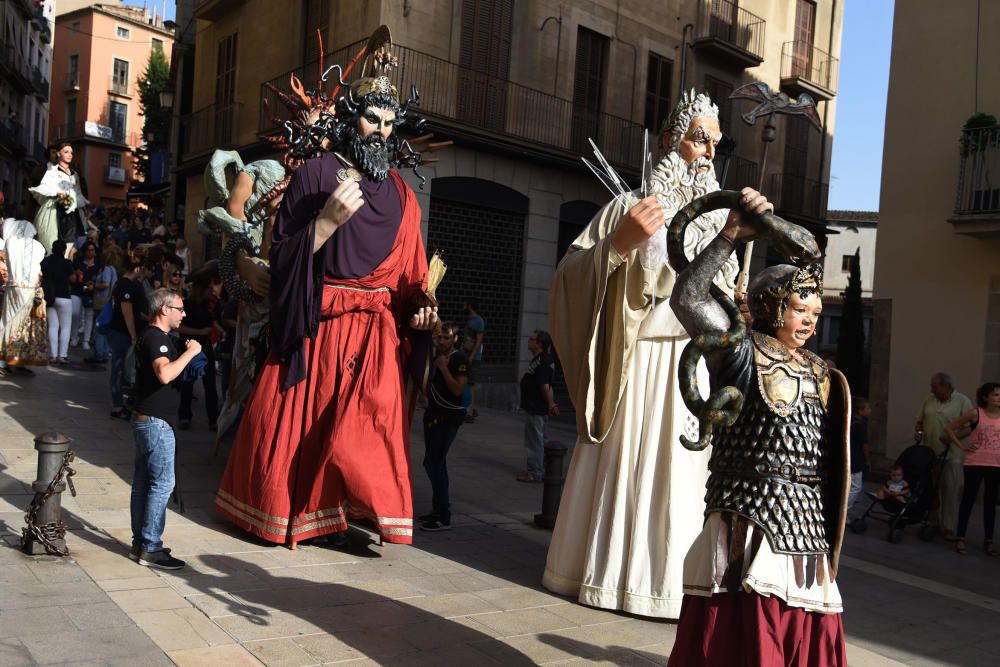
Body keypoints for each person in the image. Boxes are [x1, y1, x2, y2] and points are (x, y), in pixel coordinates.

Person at [215, 33, 439, 547]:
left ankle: (349, 512)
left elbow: (412, 277)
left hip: (376, 337)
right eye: (371, 119)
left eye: (388, 122)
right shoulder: (316, 173)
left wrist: (424, 308)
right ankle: (307, 515)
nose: (381, 131)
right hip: (319, 327)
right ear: (351, 118)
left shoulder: (405, 198)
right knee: (308, 429)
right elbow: (283, 251)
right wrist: (324, 225)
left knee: (367, 431)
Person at [543, 90, 738, 617]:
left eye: (716, 144)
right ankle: (607, 576)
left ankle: (672, 584)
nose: (708, 153)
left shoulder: (717, 225)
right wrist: (621, 244)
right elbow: (568, 277)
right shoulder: (628, 206)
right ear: (673, 140)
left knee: (679, 481)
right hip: (638, 360)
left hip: (690, 370)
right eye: (700, 139)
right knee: (626, 471)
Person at [667, 188, 848, 665]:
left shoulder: (823, 373)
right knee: (743, 631)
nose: (809, 322)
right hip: (746, 513)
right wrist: (730, 233)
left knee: (802, 632)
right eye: (799, 311)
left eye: (814, 313)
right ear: (772, 306)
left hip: (806, 522)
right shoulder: (740, 352)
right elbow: (687, 297)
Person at [128, 287, 202, 570]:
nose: (184, 314)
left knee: (144, 483)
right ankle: (150, 546)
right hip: (156, 423)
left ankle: (142, 543)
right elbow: (165, 373)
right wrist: (191, 353)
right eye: (180, 309)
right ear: (164, 310)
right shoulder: (155, 337)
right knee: (162, 484)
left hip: (149, 420)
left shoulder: (154, 336)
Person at [419, 321, 469, 532]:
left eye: (446, 337)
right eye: (439, 337)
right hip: (432, 416)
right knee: (432, 463)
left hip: (447, 419)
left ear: (455, 339)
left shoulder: (459, 359)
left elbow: (458, 389)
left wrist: (443, 369)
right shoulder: (436, 356)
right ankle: (437, 509)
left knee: (435, 464)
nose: (442, 341)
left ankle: (443, 516)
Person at [945, 382, 1000, 556]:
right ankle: (961, 537)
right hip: (975, 462)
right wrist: (961, 446)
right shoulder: (976, 414)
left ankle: (989, 540)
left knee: (990, 502)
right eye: (996, 395)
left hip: (995, 464)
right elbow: (949, 428)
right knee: (968, 499)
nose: (999, 398)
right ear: (985, 397)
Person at [915, 372, 972, 540]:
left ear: (946, 387)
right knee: (932, 489)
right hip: (930, 452)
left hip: (952, 453)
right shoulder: (929, 400)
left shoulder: (962, 401)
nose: (931, 390)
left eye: (935, 386)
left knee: (950, 489)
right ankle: (933, 521)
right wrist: (918, 431)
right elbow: (920, 420)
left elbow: (971, 427)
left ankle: (949, 527)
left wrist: (952, 436)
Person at [0, 218, 47, 374]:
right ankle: (14, 361)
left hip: (13, 289)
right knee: (22, 327)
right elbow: (39, 273)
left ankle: (7, 361)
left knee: (7, 323)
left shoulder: (10, 243)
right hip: (28, 290)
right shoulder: (38, 247)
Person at [109, 257, 153, 420]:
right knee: (120, 369)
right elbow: (127, 313)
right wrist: (133, 335)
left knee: (127, 370)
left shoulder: (131, 285)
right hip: (122, 333)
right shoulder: (125, 285)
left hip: (125, 332)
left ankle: (124, 404)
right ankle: (118, 405)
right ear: (136, 269)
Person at [176, 276, 221, 430]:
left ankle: (213, 418)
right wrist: (200, 332)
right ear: (201, 289)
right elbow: (179, 328)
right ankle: (184, 416)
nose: (212, 290)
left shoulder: (210, 304)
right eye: (209, 287)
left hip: (206, 349)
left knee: (210, 385)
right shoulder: (187, 304)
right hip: (189, 348)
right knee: (188, 384)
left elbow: (214, 321)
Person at [29, 143, 90, 256]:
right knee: (50, 242)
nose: (69, 155)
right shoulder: (52, 171)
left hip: (72, 212)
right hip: (54, 210)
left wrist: (81, 206)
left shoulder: (75, 175)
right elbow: (44, 188)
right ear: (59, 154)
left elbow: (78, 194)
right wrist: (57, 194)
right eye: (66, 152)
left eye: (71, 152)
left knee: (73, 246)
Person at [517, 330, 558, 482]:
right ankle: (539, 469)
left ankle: (534, 472)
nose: (529, 341)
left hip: (536, 408)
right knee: (538, 439)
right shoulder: (539, 359)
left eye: (531, 339)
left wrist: (551, 403)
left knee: (534, 441)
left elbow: (545, 386)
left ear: (539, 343)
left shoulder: (544, 361)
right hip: (535, 406)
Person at [40, 240, 75, 364]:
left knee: (53, 327)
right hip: (64, 297)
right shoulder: (66, 263)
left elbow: (40, 274)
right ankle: (62, 355)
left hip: (50, 297)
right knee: (65, 327)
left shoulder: (46, 261)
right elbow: (73, 279)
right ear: (64, 250)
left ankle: (53, 355)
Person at [71, 241, 99, 351]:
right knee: (75, 314)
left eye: (93, 250)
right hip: (77, 290)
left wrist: (94, 284)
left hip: (91, 293)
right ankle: (74, 336)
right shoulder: (78, 261)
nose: (91, 252)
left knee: (89, 316)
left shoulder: (98, 264)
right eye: (88, 250)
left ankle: (86, 340)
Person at [847, 396, 871, 522]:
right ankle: (845, 510)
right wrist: (868, 460)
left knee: (849, 486)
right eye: (868, 408)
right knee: (856, 487)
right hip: (856, 459)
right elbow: (864, 445)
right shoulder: (860, 425)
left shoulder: (850, 421)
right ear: (860, 411)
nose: (870, 410)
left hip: (849, 457)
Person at [462, 300, 485, 422]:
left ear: (470, 305)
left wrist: (472, 356)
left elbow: (478, 340)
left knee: (471, 383)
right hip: (466, 353)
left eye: (466, 304)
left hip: (473, 357)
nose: (464, 306)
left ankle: (470, 411)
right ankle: (471, 408)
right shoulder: (469, 319)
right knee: (466, 381)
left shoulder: (479, 321)